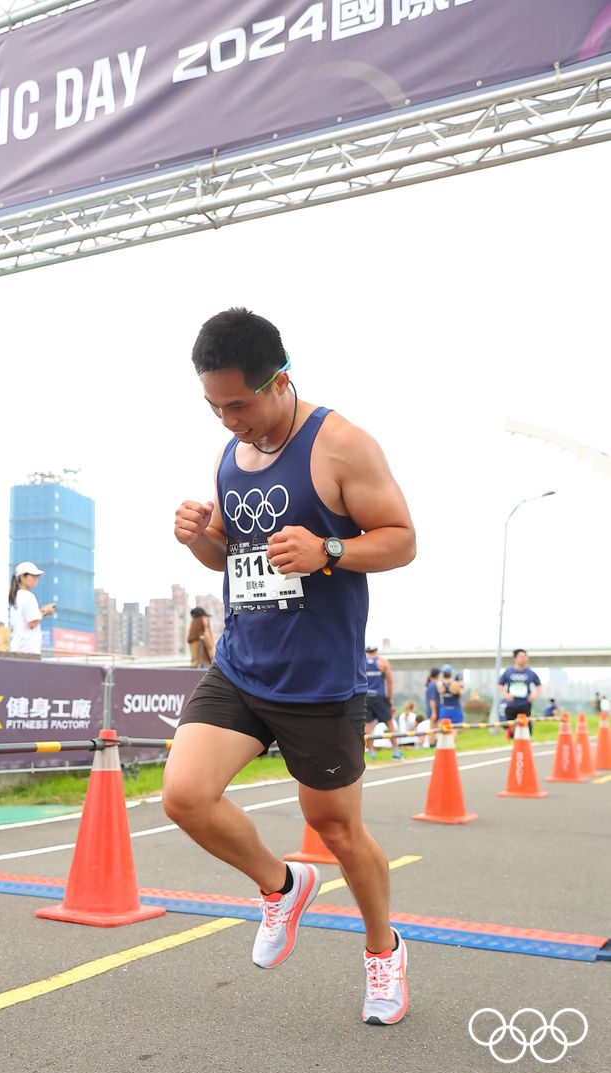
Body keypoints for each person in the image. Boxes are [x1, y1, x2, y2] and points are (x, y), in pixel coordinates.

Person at [163, 307, 416, 1026]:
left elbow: (401, 540)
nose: (228, 421)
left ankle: (383, 950)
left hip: (319, 678)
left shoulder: (341, 445)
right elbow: (229, 555)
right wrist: (197, 539)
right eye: (214, 407)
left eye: (238, 405)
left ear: (279, 380)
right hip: (242, 665)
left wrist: (328, 550)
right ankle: (281, 885)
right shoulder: (229, 455)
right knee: (184, 796)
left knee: (335, 828)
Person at [363, 644, 403, 762]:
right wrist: (391, 699)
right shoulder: (383, 662)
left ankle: (371, 752)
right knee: (389, 723)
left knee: (368, 726)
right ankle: (396, 751)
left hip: (366, 696)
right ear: (376, 650)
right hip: (379, 696)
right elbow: (389, 681)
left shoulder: (362, 662)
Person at [8, 561, 55, 655]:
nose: (35, 579)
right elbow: (32, 623)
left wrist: (40, 612)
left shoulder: (16, 596)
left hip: (17, 648)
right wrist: (45, 611)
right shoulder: (28, 596)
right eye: (32, 575)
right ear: (22, 577)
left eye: (36, 576)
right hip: (28, 650)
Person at [498, 648, 542, 737]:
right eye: (521, 657)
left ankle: (524, 740)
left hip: (524, 703)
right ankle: (514, 739)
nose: (524, 659)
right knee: (511, 725)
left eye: (525, 657)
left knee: (525, 725)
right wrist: (506, 694)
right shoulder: (508, 672)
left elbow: (539, 685)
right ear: (515, 659)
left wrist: (534, 695)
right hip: (511, 704)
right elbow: (500, 684)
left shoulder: (530, 673)